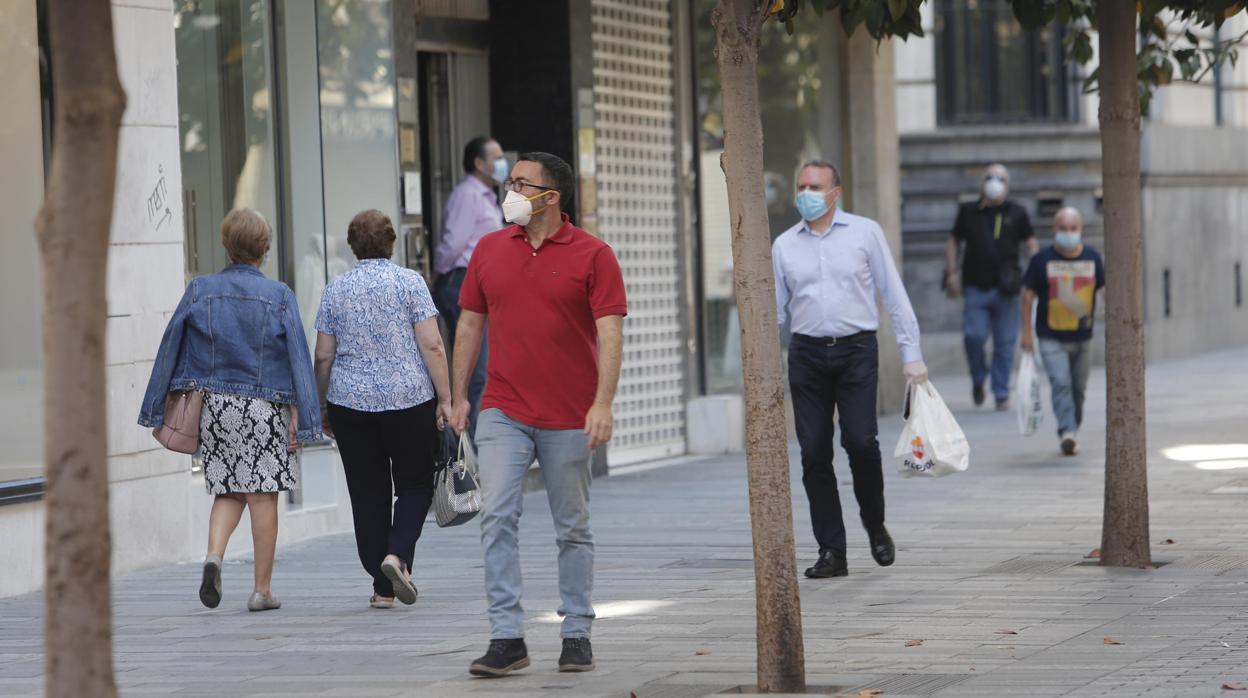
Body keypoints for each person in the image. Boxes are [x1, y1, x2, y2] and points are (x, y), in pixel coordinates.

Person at [451, 152, 626, 677]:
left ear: (551, 197)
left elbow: (611, 333)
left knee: (572, 526)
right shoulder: (488, 249)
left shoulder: (594, 255)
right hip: (503, 408)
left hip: (570, 414)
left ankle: (576, 632)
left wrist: (602, 403)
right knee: (497, 514)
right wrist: (458, 396)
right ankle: (507, 636)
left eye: (522, 184)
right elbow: (468, 326)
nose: (510, 190)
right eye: (510, 181)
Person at [138, 208, 320, 612]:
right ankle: (262, 589)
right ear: (265, 249)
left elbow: (170, 344)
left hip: (215, 407)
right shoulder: (279, 296)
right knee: (262, 496)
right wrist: (307, 419)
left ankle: (214, 556)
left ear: (226, 245)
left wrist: (156, 406)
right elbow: (298, 359)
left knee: (227, 489)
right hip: (263, 407)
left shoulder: (201, 290)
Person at [773, 161, 928, 580]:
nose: (806, 192)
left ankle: (874, 523)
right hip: (806, 355)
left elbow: (892, 293)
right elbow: (773, 309)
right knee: (814, 453)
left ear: (835, 192)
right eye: (801, 185)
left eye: (815, 186)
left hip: (857, 350)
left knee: (861, 442)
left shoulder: (865, 233)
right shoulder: (784, 245)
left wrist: (911, 354)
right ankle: (831, 550)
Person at [314, 210, 453, 609]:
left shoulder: (335, 289)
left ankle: (382, 587)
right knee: (414, 484)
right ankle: (397, 556)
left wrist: (322, 404)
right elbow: (432, 345)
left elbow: (324, 356)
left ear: (352, 246)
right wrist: (445, 398)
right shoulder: (410, 283)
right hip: (408, 401)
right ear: (392, 242)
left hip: (350, 405)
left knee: (368, 492)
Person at [945, 163, 1039, 409]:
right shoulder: (968, 211)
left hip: (1007, 289)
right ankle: (978, 378)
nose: (994, 181)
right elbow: (953, 241)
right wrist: (952, 272)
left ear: (1008, 185)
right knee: (973, 336)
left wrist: (1036, 272)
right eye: (990, 177)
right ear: (982, 182)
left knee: (1005, 343)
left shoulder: (1017, 212)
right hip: (975, 286)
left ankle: (1000, 392)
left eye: (1000, 178)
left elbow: (1031, 243)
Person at [433, 136, 506, 436]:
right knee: (475, 368)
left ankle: (474, 438)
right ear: (478, 163)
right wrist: (439, 275)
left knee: (483, 368)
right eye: (496, 157)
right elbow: (453, 243)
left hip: (481, 283)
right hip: (462, 280)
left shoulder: (487, 195)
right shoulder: (468, 195)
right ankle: (469, 443)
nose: (502, 164)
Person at [1020, 207, 1104, 456]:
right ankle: (1066, 431)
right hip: (1050, 336)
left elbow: (1104, 288)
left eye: (1073, 228)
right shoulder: (1041, 261)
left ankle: (1072, 429)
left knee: (1079, 388)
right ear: (1054, 230)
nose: (1068, 233)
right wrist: (1026, 333)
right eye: (1063, 228)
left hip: (1083, 336)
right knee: (1061, 383)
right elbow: (1027, 297)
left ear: (1080, 230)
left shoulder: (1092, 257)